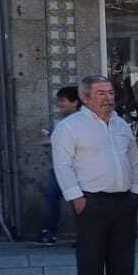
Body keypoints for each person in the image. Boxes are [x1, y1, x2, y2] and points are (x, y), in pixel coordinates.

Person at [53, 75, 138, 275]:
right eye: (101, 93)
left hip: (124, 200)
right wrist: (76, 198)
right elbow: (62, 165)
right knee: (91, 259)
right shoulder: (70, 127)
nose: (108, 98)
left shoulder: (121, 124)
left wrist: (136, 191)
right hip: (91, 200)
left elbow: (134, 160)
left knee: (123, 256)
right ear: (85, 98)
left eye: (111, 93)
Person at [38, 85, 81, 243]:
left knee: (77, 200)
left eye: (63, 101)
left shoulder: (83, 120)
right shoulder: (63, 121)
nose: (59, 104)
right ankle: (48, 232)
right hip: (60, 167)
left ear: (75, 102)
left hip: (78, 168)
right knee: (52, 196)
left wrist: (51, 141)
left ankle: (83, 235)